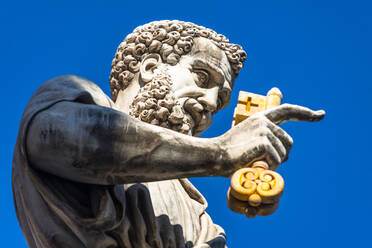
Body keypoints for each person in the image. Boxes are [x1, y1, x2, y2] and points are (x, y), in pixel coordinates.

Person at [12, 20, 325, 248]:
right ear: (150, 67)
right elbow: (56, 139)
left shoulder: (194, 207)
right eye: (203, 77)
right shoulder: (75, 97)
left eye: (220, 101)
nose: (210, 103)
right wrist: (219, 154)